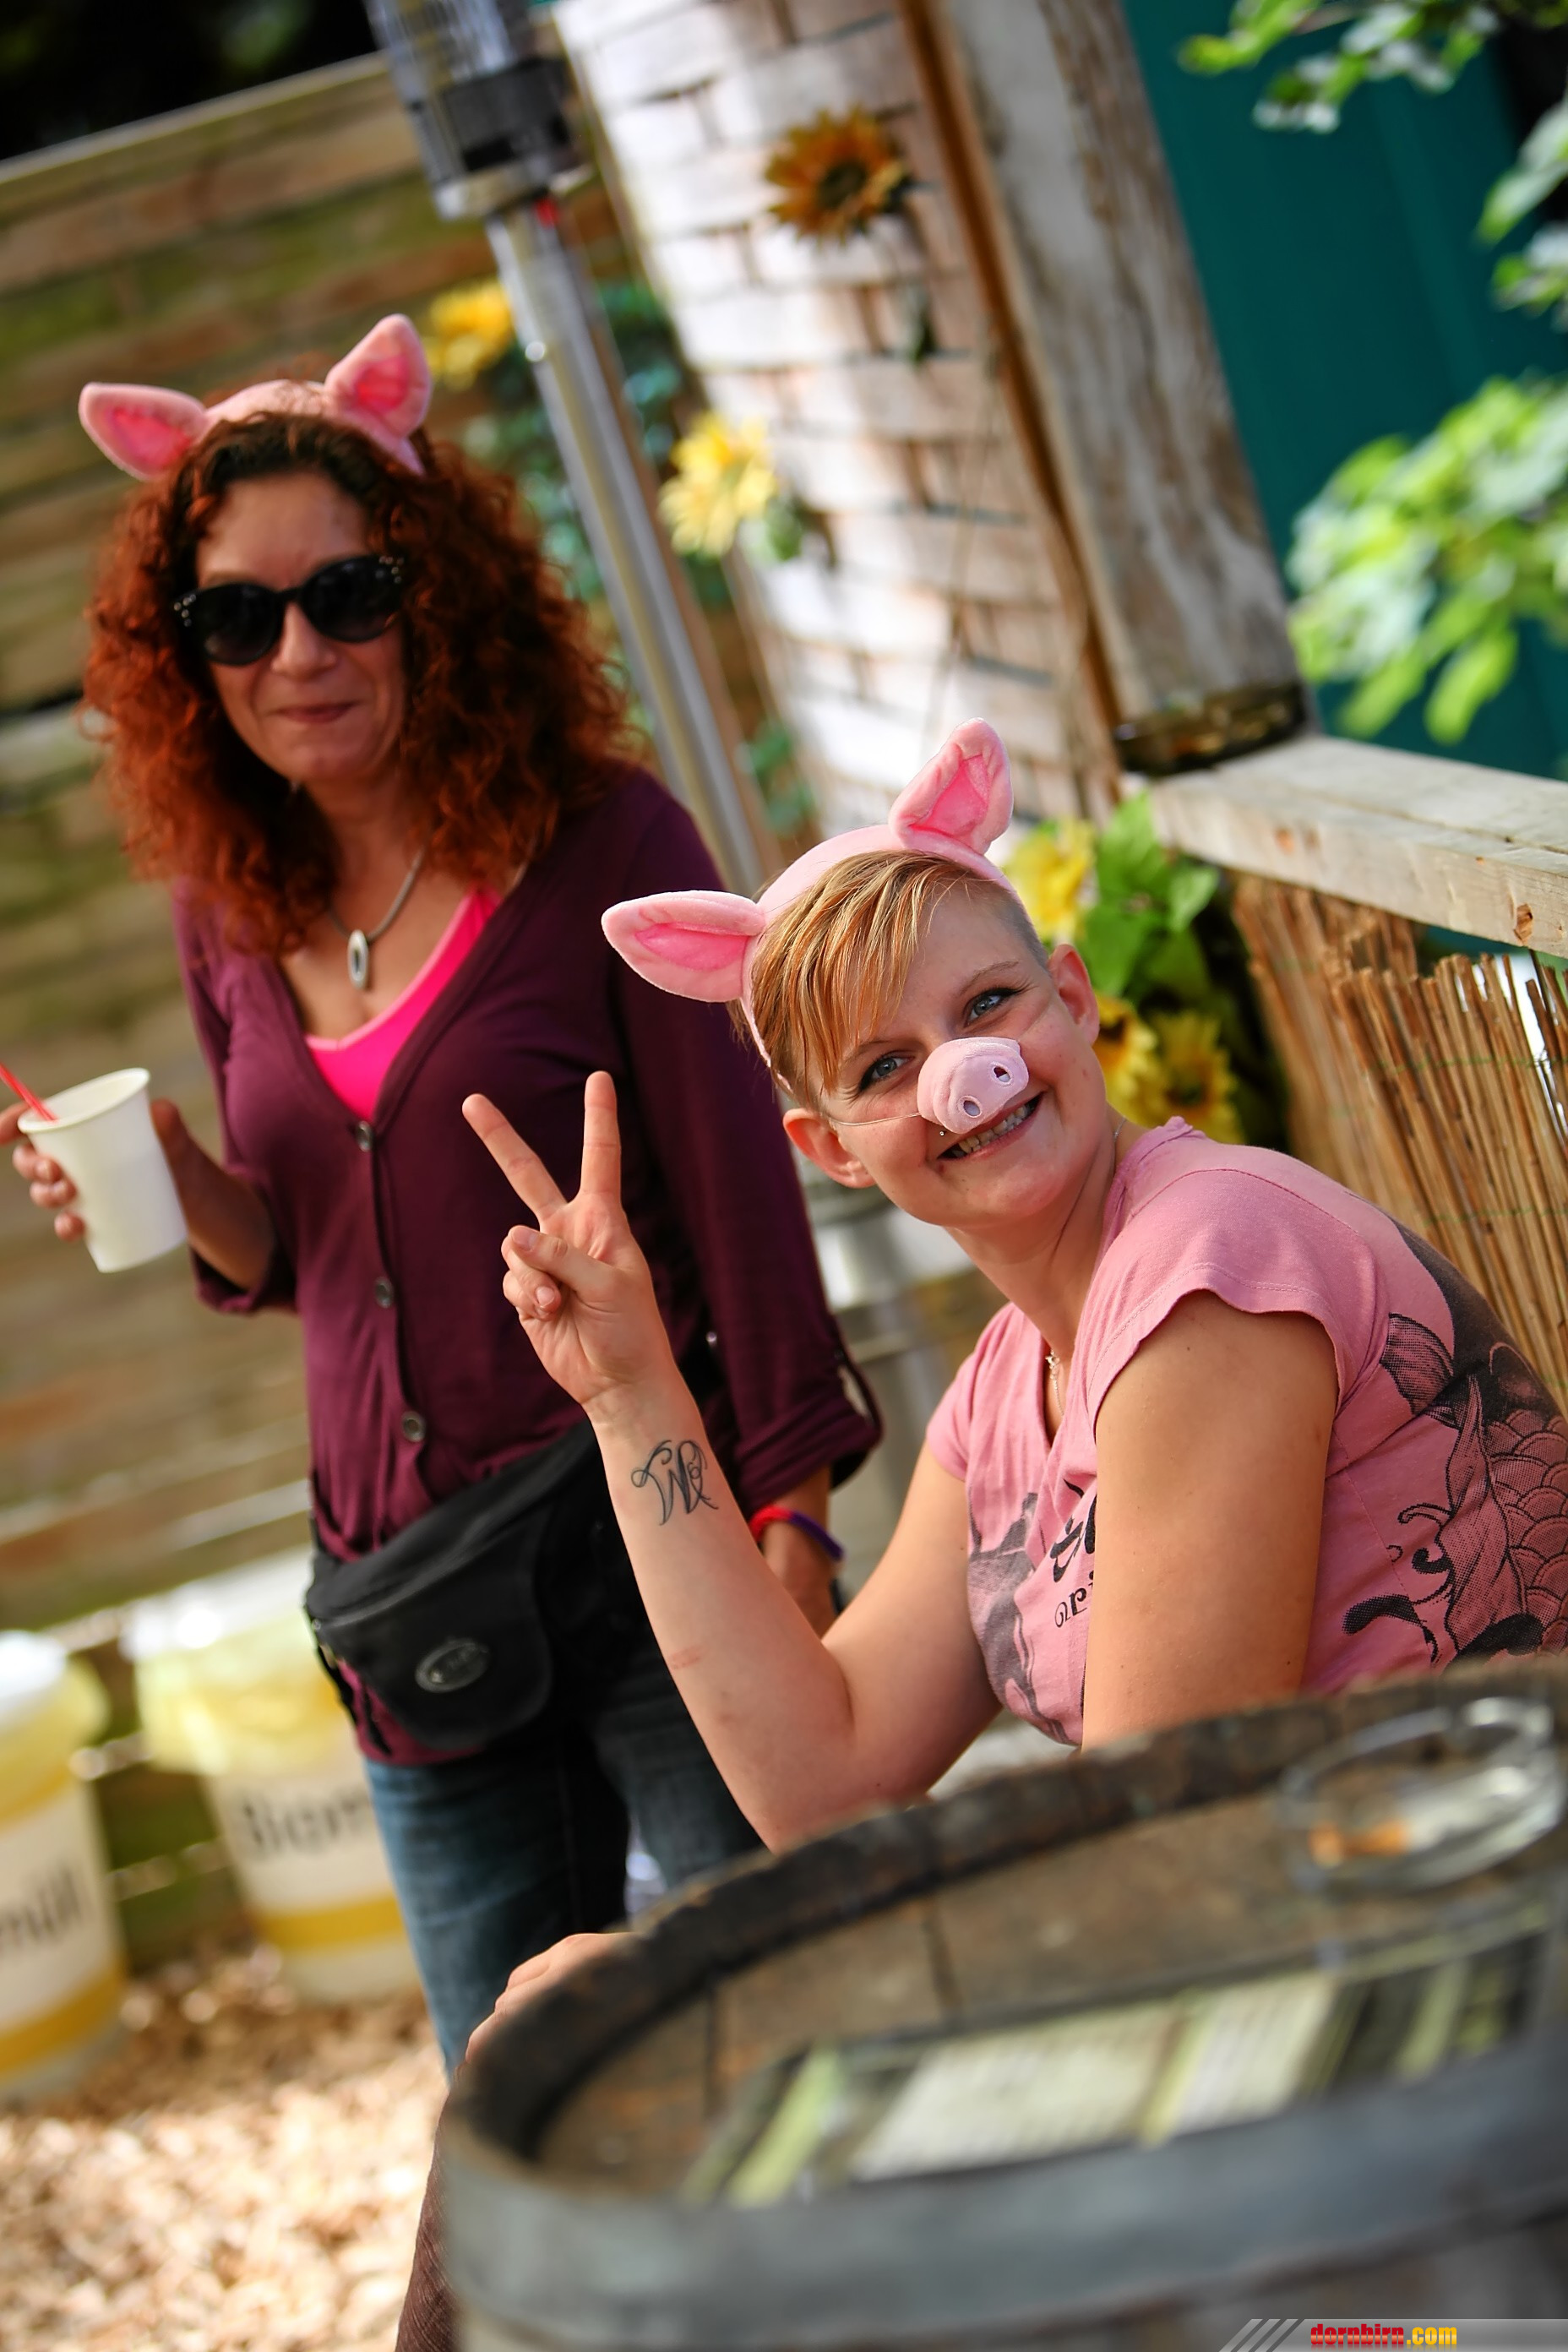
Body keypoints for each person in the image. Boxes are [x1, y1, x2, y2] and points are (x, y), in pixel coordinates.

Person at [4, 316, 877, 2072]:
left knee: (784, 2046)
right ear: (187, 651)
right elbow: (301, 1250)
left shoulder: (606, 841)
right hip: (413, 1601)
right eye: (237, 617)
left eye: (347, 595)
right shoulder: (226, 902)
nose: (296, 653)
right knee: (513, 2092)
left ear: (436, 595)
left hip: (660, 1548)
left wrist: (791, 1518)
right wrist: (173, 1179)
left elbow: (742, 1198)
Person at [459, 713, 1568, 2023]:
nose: (961, 1075)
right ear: (833, 1150)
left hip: (1493, 1958)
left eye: (987, 1005)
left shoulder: (1209, 1263)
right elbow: (827, 1775)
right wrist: (631, 1394)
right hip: (1349, 1961)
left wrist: (711, 1980)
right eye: (885, 1066)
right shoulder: (1000, 1391)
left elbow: (1158, 1835)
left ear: (1074, 998)